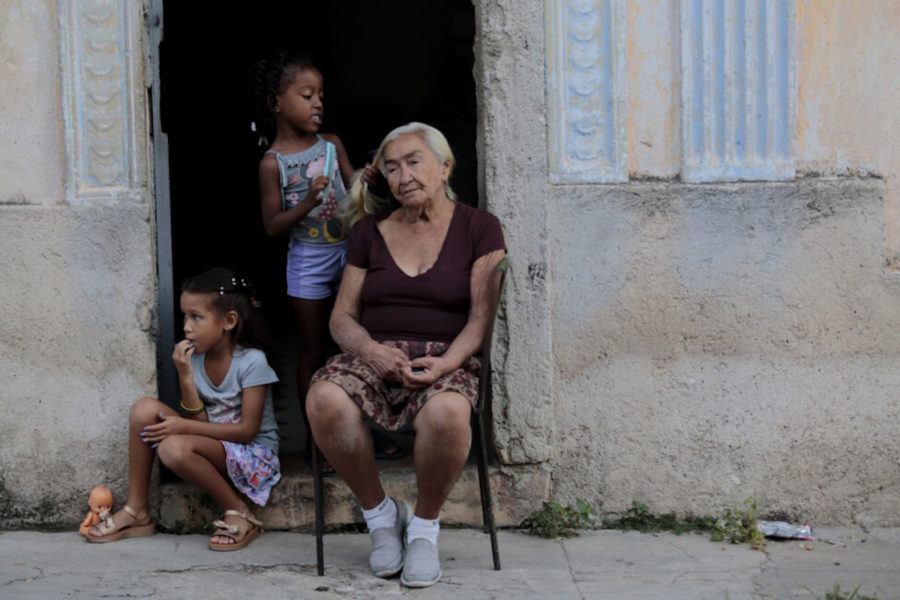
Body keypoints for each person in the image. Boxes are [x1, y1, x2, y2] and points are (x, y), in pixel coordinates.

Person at [306, 122, 506, 587]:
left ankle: (423, 529)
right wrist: (371, 351)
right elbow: (341, 319)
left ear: (444, 167)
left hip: (445, 356)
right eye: (392, 168)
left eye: (414, 162)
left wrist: (447, 363)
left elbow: (479, 320)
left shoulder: (480, 227)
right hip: (376, 355)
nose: (403, 176)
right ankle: (380, 518)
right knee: (324, 398)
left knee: (449, 413)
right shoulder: (369, 233)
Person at [248, 52, 390, 471]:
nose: (317, 104)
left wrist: (367, 181)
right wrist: (309, 200)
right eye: (306, 95)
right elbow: (273, 225)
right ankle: (316, 441)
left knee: (360, 341)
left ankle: (368, 428)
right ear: (277, 102)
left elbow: (354, 193)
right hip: (307, 258)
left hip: (349, 252)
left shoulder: (332, 146)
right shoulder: (272, 163)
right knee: (312, 349)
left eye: (320, 96)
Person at [87, 268, 281, 551]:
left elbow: (247, 431)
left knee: (172, 448)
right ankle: (137, 509)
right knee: (144, 409)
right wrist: (185, 376)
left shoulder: (252, 362)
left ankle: (238, 510)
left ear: (228, 321)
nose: (187, 327)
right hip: (215, 447)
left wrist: (185, 427)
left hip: (254, 456)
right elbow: (198, 419)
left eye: (196, 317)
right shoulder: (196, 360)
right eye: (185, 317)